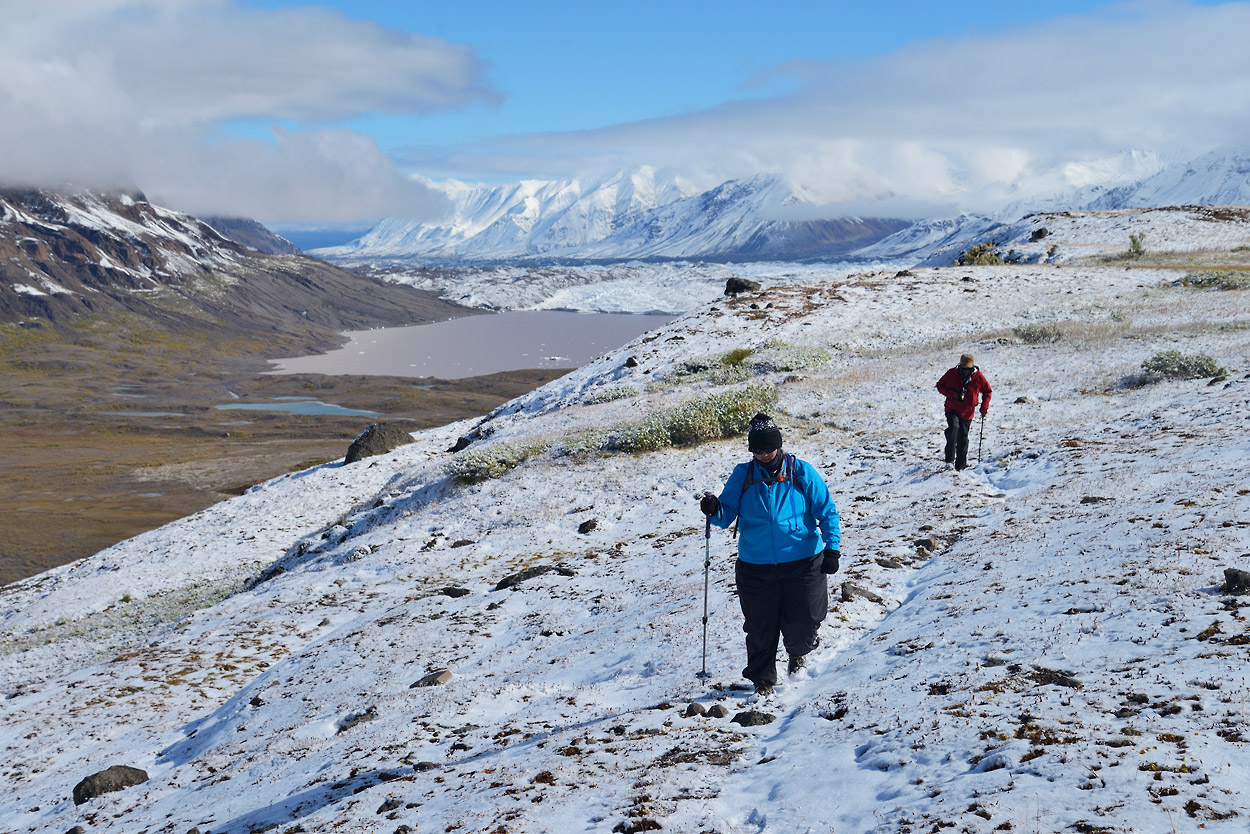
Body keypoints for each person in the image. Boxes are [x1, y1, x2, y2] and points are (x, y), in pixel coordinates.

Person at [699, 413, 841, 697]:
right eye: (757, 450)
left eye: (768, 449)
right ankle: (763, 681)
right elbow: (725, 515)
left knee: (804, 623)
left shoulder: (801, 472)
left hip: (803, 562)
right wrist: (713, 508)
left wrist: (832, 548)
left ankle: (798, 651)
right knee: (760, 628)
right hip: (756, 566)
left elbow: (827, 511)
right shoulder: (743, 474)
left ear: (779, 446)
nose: (763, 455)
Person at [935, 353, 992, 471]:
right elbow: (940, 386)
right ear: (960, 366)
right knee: (953, 429)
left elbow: (987, 392)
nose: (966, 371)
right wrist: (953, 394)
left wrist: (984, 408)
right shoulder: (952, 373)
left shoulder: (978, 377)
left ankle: (960, 467)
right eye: (964, 369)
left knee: (963, 439)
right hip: (952, 409)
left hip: (968, 412)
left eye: (968, 369)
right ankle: (949, 461)